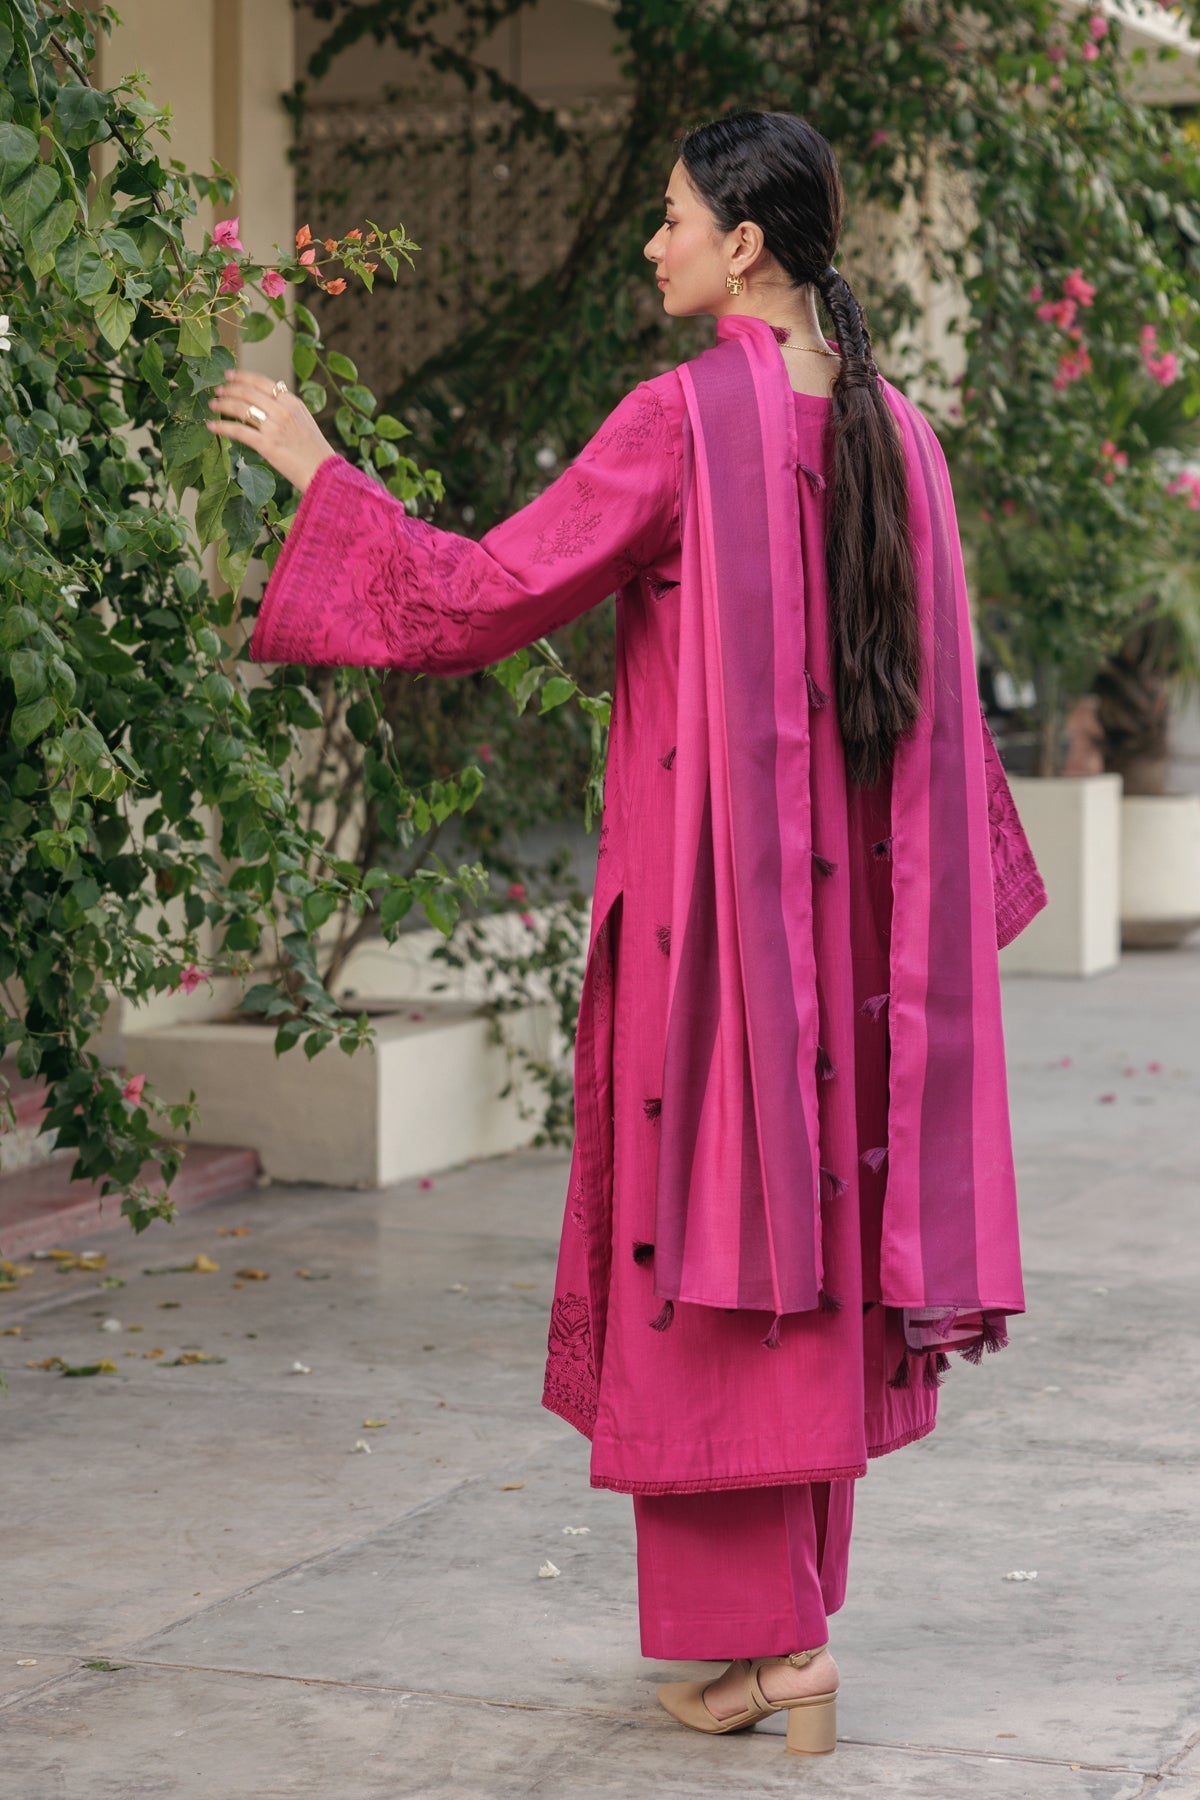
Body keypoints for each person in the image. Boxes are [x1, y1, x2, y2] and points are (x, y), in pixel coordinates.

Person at [212, 110, 1046, 1760]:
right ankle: (777, 1644)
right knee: (809, 1256)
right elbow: (943, 720)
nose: (651, 245)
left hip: (719, 946)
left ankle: (780, 1649)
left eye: (670, 219)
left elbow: (477, 597)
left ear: (746, 242)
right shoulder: (902, 434)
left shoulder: (680, 424)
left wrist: (317, 469)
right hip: (862, 956)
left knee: (718, 1268)